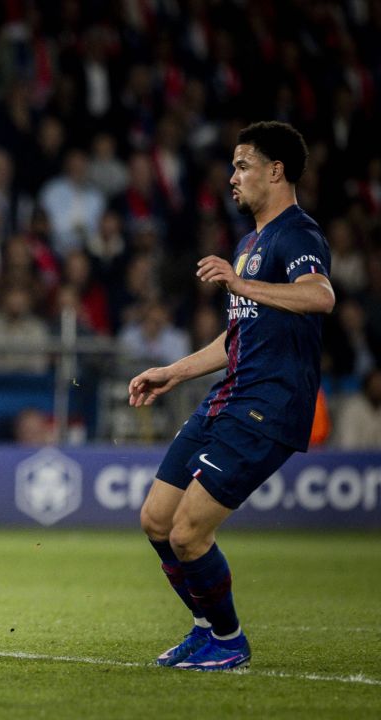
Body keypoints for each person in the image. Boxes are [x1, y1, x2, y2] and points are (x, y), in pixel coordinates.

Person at [129, 121, 334, 671]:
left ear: (276, 171)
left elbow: (320, 296)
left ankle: (228, 639)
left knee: (189, 532)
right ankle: (205, 630)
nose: (232, 176)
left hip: (269, 404)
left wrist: (240, 284)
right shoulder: (249, 243)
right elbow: (238, 335)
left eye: (243, 165)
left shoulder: (297, 234)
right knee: (156, 520)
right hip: (227, 396)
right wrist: (173, 371)